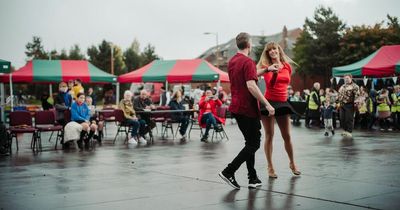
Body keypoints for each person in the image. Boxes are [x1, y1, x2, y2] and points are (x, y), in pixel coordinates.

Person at [219, 32, 275, 190]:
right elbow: (251, 85)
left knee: (249, 143)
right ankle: (229, 171)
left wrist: (266, 69)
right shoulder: (248, 61)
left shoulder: (232, 61)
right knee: (254, 143)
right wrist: (267, 104)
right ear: (249, 45)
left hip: (236, 108)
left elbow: (248, 76)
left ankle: (253, 178)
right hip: (247, 109)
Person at [256, 41, 301, 179]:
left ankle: (292, 163)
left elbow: (286, 82)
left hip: (282, 102)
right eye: (269, 50)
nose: (272, 51)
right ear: (267, 53)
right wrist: (273, 72)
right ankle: (270, 167)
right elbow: (271, 84)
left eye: (274, 49)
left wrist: (279, 70)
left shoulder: (287, 66)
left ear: (278, 50)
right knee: (269, 135)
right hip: (268, 102)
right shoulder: (266, 67)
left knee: (286, 135)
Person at [337, 74, 360, 138]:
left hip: (350, 104)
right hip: (342, 104)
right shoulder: (342, 86)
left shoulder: (355, 86)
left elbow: (357, 95)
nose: (346, 80)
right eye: (345, 78)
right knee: (342, 118)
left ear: (351, 78)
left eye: (347, 78)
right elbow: (339, 94)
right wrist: (337, 101)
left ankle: (349, 131)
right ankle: (345, 130)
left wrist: (356, 103)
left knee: (349, 118)